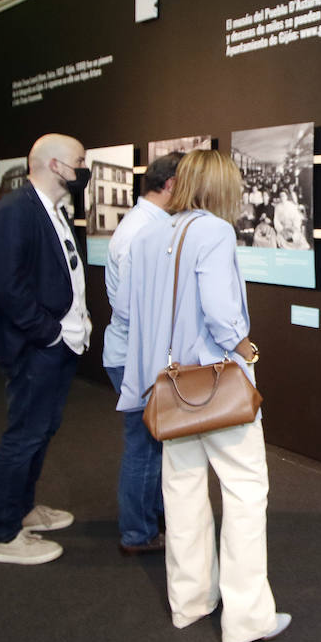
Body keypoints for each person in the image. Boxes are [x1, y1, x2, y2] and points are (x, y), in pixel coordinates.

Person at [113, 149, 291, 642]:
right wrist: (245, 347)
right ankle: (246, 619)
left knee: (182, 492)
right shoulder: (214, 231)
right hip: (215, 384)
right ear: (221, 188)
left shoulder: (147, 235)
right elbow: (220, 310)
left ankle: (190, 603)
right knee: (245, 491)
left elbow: (126, 310)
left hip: (169, 389)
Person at [0, 134, 92, 565]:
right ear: (56, 165)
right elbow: (3, 282)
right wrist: (48, 332)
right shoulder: (15, 211)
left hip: (58, 344)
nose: (85, 169)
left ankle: (22, 510)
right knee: (24, 435)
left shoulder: (55, 210)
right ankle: (2, 535)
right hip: (35, 346)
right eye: (80, 160)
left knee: (41, 430)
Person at [102, 151, 182, 555]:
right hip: (136, 357)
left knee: (151, 444)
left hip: (138, 354)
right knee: (145, 446)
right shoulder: (143, 232)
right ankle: (138, 533)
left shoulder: (147, 224)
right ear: (171, 185)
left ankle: (150, 523)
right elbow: (131, 308)